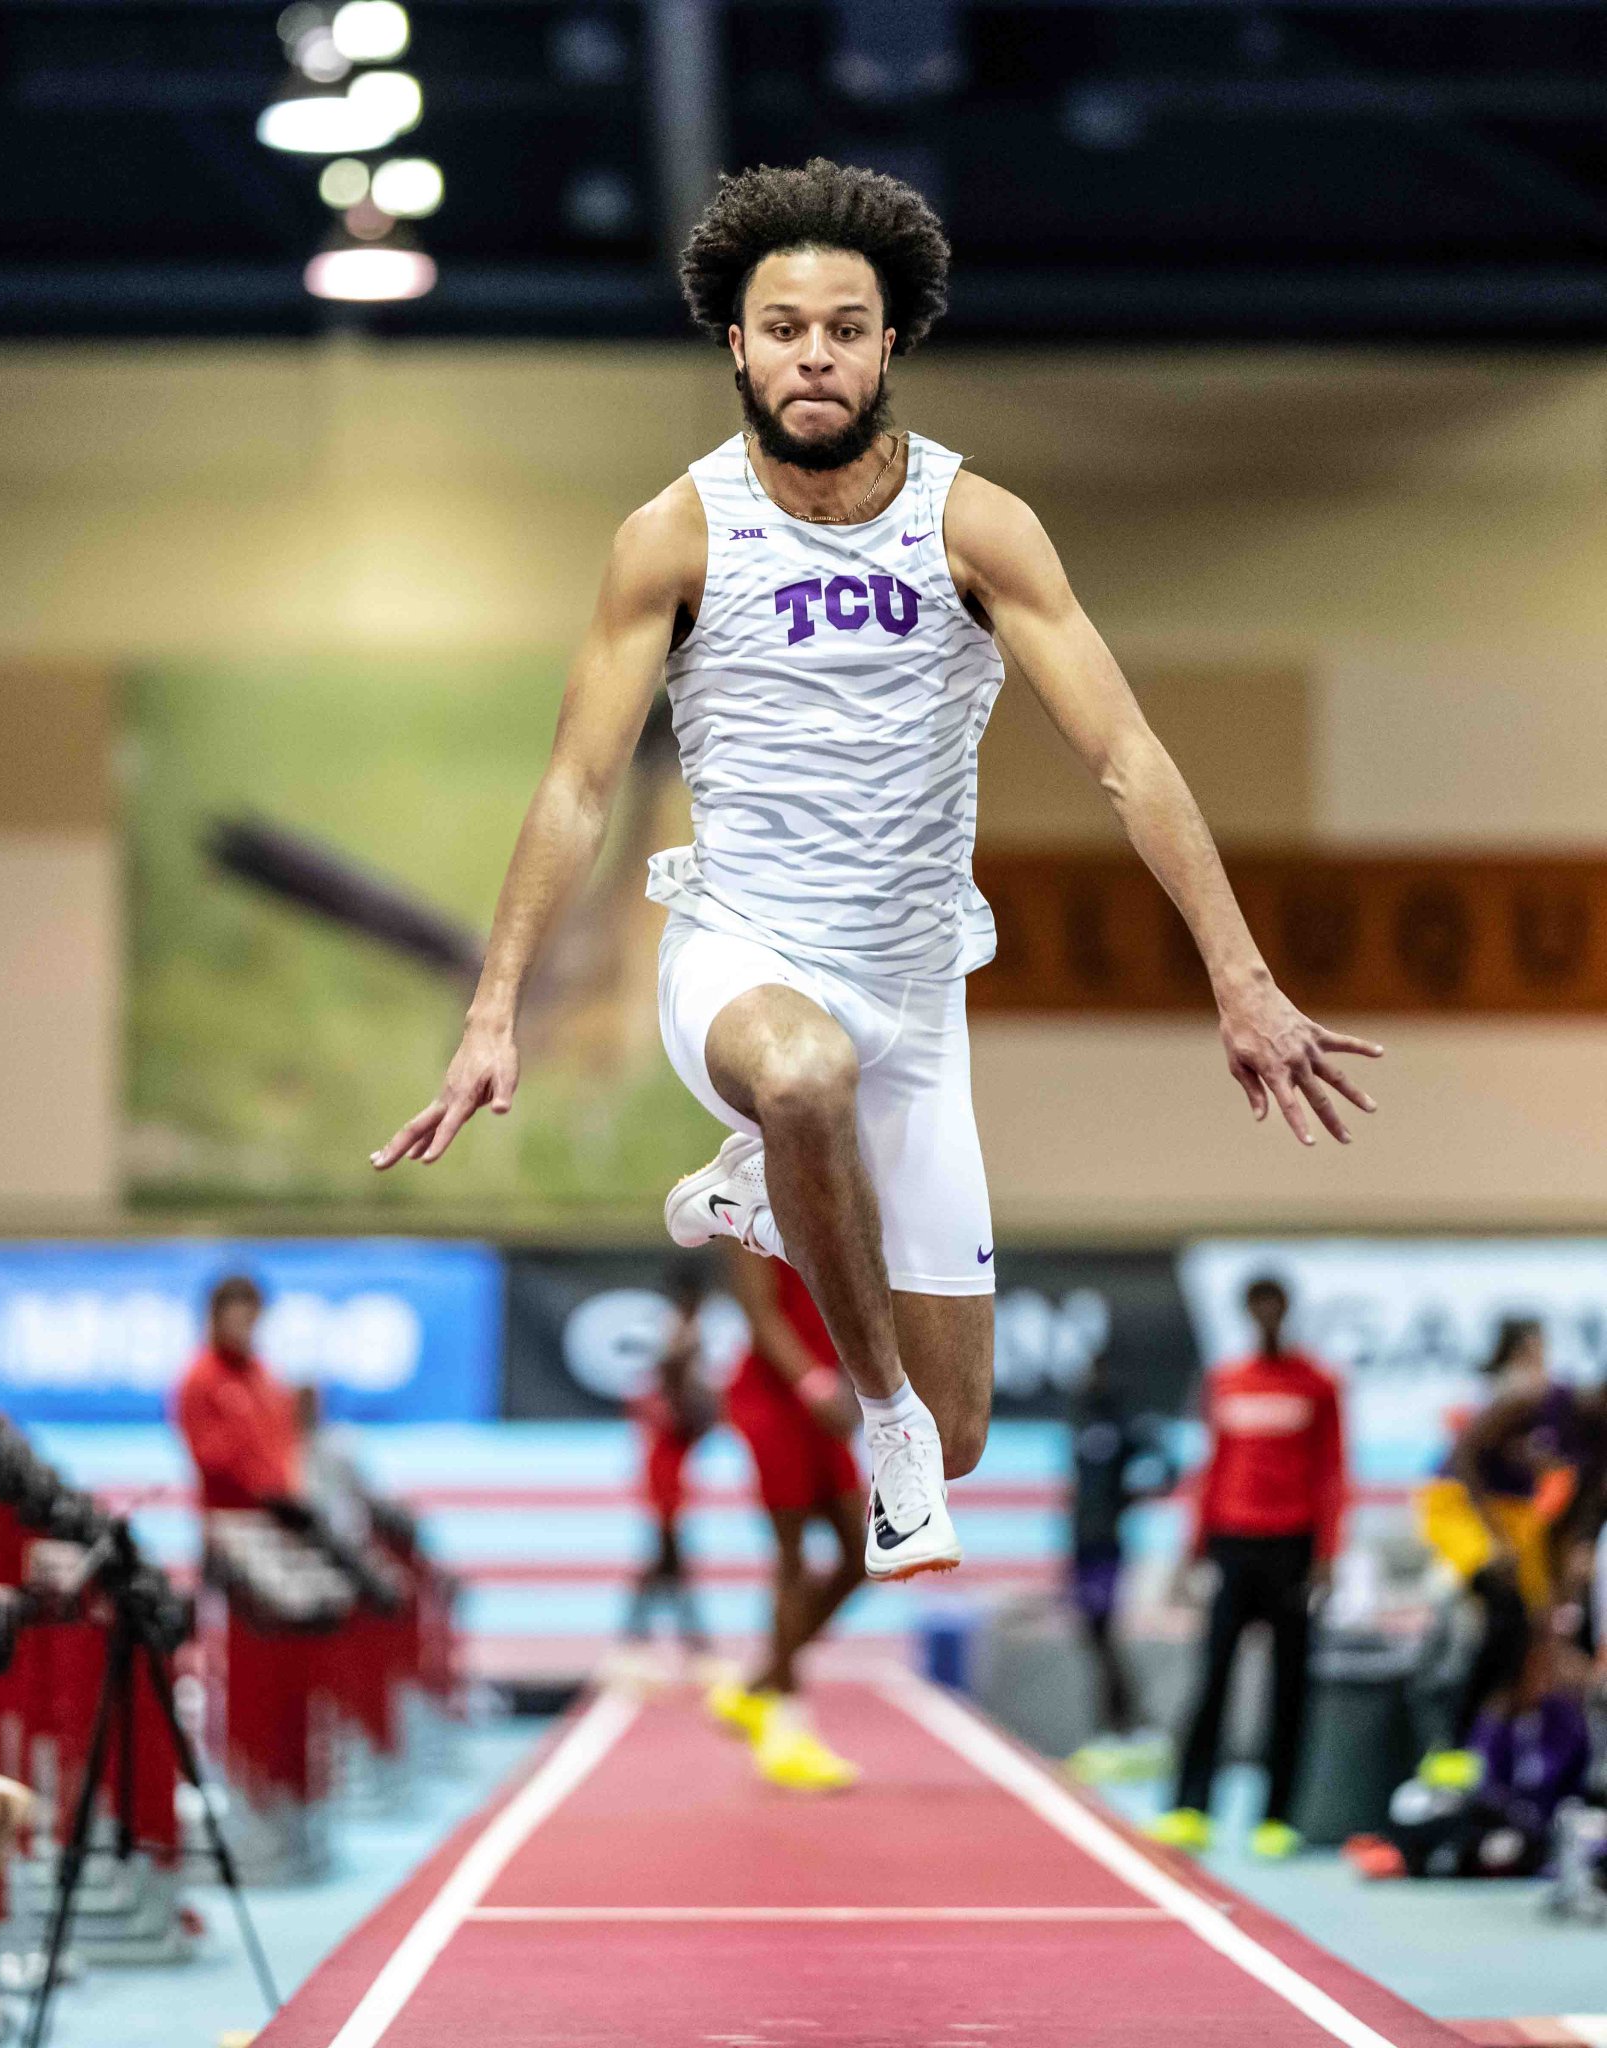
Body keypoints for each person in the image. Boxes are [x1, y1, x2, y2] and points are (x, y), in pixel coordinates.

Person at [371, 159, 1383, 1585]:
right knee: (802, 1078)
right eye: (783, 329)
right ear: (736, 344)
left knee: (969, 1426)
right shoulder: (673, 535)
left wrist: (1242, 978)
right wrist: (493, 1009)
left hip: (914, 993)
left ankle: (793, 1240)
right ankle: (882, 1428)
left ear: (888, 340)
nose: (813, 356)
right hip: (739, 952)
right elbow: (578, 786)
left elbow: (1124, 755)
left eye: (843, 329)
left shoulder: (977, 526)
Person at [1149, 1276, 1346, 1858]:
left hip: (1293, 1546)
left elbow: (1333, 1472)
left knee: (1289, 1685)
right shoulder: (1226, 1381)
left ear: (1285, 1310)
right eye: (1257, 1307)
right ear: (1247, 1313)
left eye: (1275, 1306)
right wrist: (1192, 1550)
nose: (1266, 1316)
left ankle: (1277, 1817)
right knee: (1213, 1678)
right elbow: (1211, 1467)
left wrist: (1328, 1554)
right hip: (1232, 1544)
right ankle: (1190, 1807)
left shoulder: (1318, 1384)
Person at [708, 1242, 866, 1791]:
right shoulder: (751, 1207)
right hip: (776, 1395)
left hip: (826, 1387)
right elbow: (761, 1312)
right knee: (792, 1558)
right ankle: (787, 1726)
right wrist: (814, 1384)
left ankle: (758, 1683)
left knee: (862, 1553)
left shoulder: (844, 1208)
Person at [1417, 1355, 1607, 1788]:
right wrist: (1493, 1536)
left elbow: (1572, 1522)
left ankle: (1493, 1755)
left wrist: (1563, 1583)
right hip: (1461, 1503)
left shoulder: (1596, 1442)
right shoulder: (1539, 1399)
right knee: (1503, 1607)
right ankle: (1449, 1740)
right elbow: (1465, 1456)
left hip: (1520, 1519)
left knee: (1535, 1631)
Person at [1064, 1351, 1177, 1783]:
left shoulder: (1123, 1425)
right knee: (1092, 1635)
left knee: (1103, 1633)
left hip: (1108, 1545)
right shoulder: (1080, 1422)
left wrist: (1133, 1498)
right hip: (1080, 1543)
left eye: (1097, 1372)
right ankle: (1118, 1723)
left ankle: (1126, 1721)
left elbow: (1167, 1466)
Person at [621, 1265, 717, 1662]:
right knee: (668, 1543)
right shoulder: (682, 1335)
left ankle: (644, 1629)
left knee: (668, 1545)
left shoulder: (680, 1333)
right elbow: (673, 1383)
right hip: (669, 1447)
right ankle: (681, 1633)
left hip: (673, 1447)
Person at [173, 1275, 306, 1523]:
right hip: (230, 1517)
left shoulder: (263, 1375)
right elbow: (210, 1457)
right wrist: (263, 1488)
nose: (243, 1330)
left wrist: (289, 1490)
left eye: (249, 1321)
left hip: (277, 1513)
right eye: (235, 1321)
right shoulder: (202, 1378)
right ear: (216, 1320)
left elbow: (284, 1438)